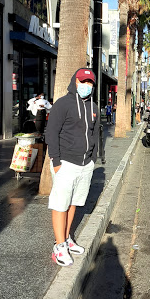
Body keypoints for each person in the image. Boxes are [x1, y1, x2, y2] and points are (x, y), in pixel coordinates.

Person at [45, 68, 99, 267]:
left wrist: (93, 159)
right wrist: (56, 161)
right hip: (66, 162)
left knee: (73, 202)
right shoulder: (63, 104)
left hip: (85, 164)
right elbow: (51, 133)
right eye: (82, 81)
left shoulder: (93, 106)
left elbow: (94, 133)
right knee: (60, 204)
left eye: (90, 82)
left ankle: (66, 238)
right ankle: (59, 246)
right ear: (75, 81)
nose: (86, 85)